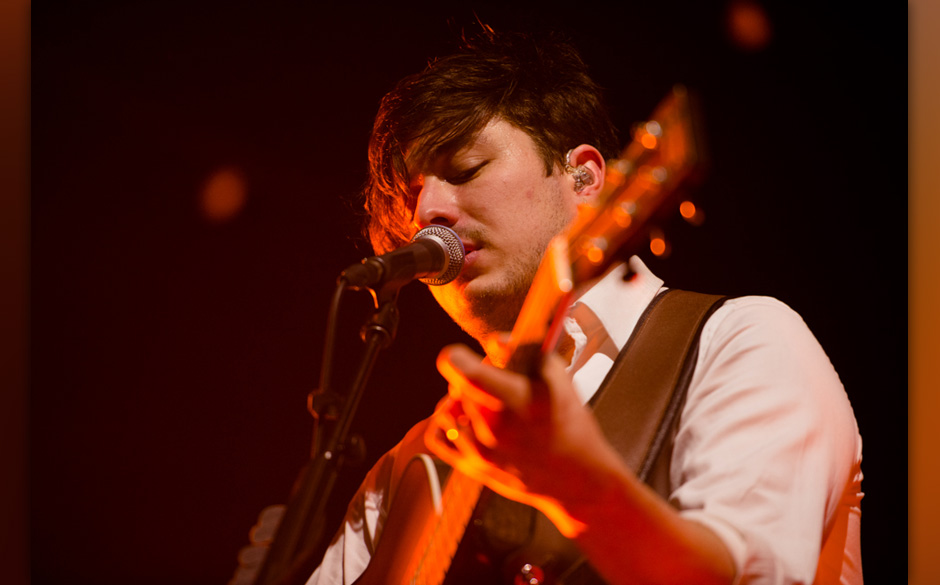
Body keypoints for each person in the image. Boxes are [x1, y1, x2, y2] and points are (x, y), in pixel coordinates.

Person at [307, 29, 863, 585]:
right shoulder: (409, 467)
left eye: (467, 167)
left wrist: (580, 487)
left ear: (585, 178)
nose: (428, 208)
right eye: (410, 198)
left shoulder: (740, 342)